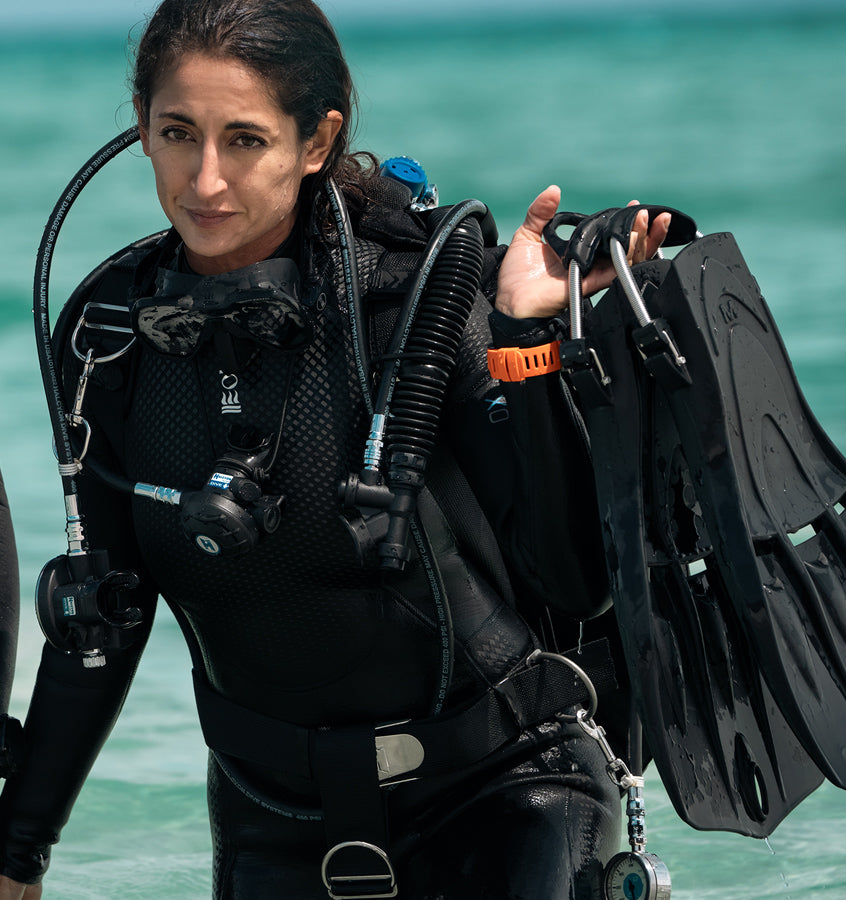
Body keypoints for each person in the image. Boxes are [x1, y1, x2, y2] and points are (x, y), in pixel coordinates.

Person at [0, 1, 669, 897]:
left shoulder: (415, 300)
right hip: (269, 815)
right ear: (142, 129)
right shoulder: (111, 335)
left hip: (508, 792)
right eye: (178, 133)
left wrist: (524, 340)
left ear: (316, 141)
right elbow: (104, 623)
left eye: (245, 140)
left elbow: (574, 578)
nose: (205, 179)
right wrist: (21, 850)